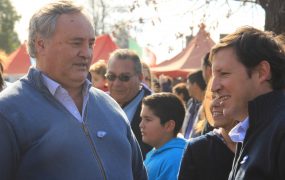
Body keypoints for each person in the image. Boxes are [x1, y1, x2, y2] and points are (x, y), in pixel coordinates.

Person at [0, 1, 147, 179]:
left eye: (91, 44)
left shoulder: (110, 107)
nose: (86, 53)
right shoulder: (8, 111)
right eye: (76, 43)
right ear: (41, 44)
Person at [210, 26, 285, 179]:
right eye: (213, 76)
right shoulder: (252, 130)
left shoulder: (279, 129)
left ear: (262, 72)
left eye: (224, 74)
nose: (214, 87)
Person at [106, 49, 152, 159]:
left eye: (124, 78)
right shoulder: (98, 103)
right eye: (111, 77)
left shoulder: (157, 108)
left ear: (140, 78)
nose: (117, 83)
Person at [178, 94, 236, 180]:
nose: (214, 104)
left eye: (224, 96)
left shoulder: (259, 144)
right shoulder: (197, 148)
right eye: (213, 97)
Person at [140, 92, 186, 180]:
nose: (141, 125)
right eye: (141, 119)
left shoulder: (175, 159)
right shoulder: (156, 151)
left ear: (169, 125)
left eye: (148, 119)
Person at [181, 70, 206, 139]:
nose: (186, 87)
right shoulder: (191, 103)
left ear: (195, 85)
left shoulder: (207, 105)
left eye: (188, 84)